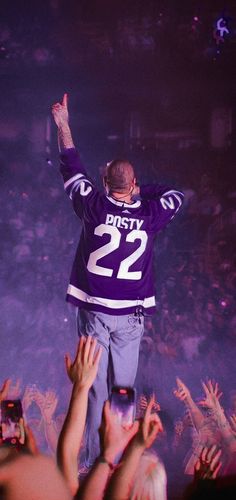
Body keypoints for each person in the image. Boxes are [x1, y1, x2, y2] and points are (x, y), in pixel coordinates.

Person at [51, 93, 184, 468]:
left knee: (94, 391)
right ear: (132, 182)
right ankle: (118, 462)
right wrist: (140, 190)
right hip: (130, 317)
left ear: (105, 180)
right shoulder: (150, 215)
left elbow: (71, 166)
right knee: (123, 391)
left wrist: (64, 125)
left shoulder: (92, 204)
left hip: (95, 313)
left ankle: (94, 465)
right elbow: (175, 194)